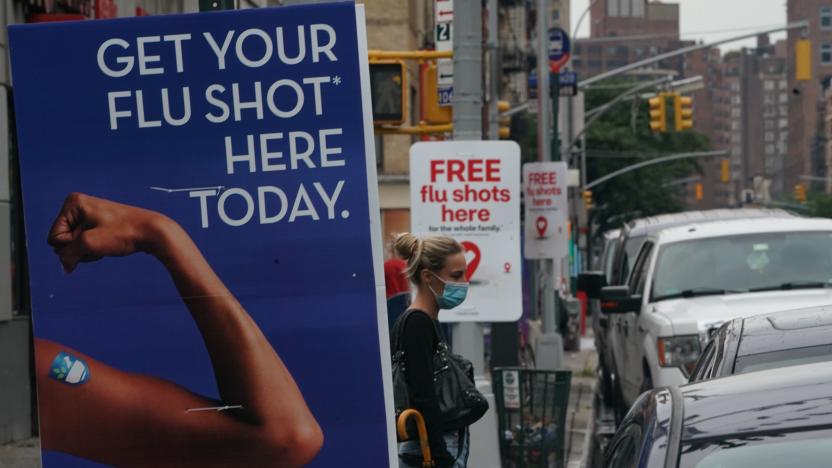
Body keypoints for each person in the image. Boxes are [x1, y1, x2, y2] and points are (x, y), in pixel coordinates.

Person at [36, 193, 323, 467]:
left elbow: (285, 435)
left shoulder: (33, 374)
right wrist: (159, 234)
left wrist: (160, 234)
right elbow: (286, 437)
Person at [392, 233, 470, 468]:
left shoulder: (425, 320)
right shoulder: (418, 323)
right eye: (456, 275)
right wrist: (439, 456)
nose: (465, 281)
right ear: (427, 276)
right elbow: (424, 395)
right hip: (427, 452)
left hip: (429, 449)